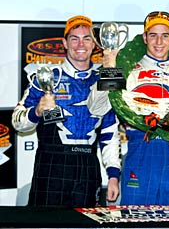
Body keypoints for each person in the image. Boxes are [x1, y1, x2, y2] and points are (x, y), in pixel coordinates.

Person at [11, 15, 121, 207]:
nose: (81, 44)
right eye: (74, 38)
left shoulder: (103, 78)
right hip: (51, 165)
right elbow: (17, 122)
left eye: (87, 38)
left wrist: (113, 174)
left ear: (95, 44)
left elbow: (109, 132)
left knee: (85, 225)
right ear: (65, 43)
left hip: (88, 165)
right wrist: (36, 111)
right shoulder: (45, 78)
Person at [108, 11, 169, 205]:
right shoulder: (127, 66)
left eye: (165, 35)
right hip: (142, 148)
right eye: (153, 35)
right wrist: (109, 67)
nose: (159, 42)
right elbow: (103, 107)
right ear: (144, 37)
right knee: (134, 219)